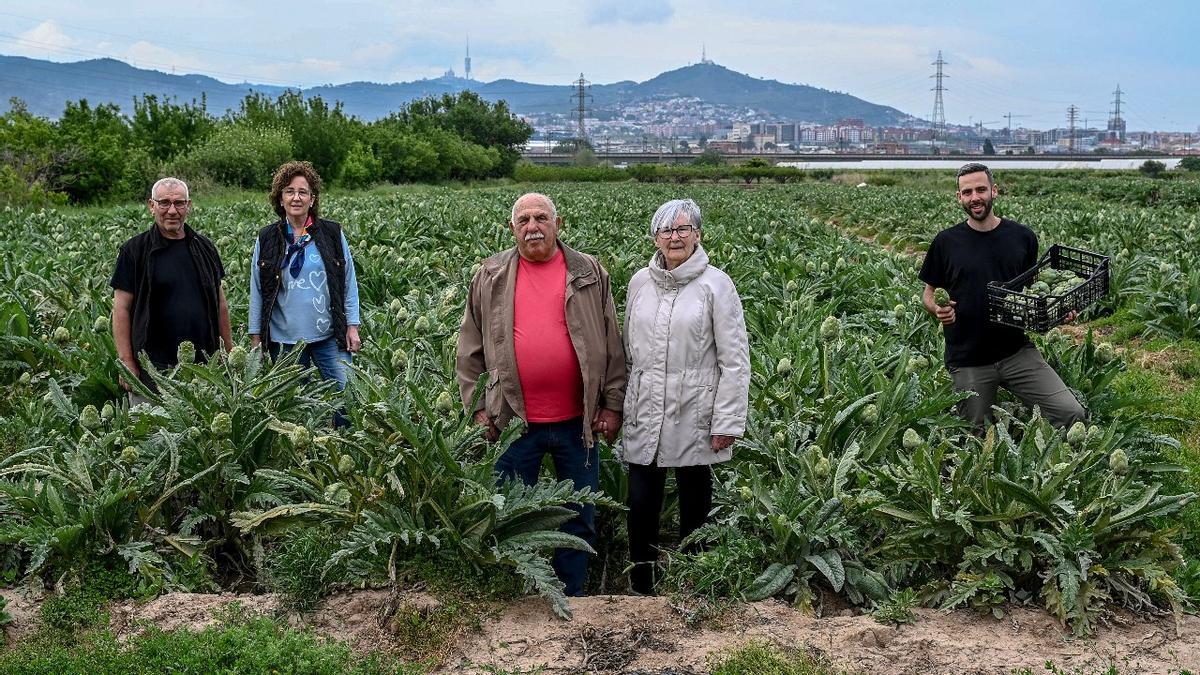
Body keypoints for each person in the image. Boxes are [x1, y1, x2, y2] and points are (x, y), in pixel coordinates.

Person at [456, 192, 627, 597]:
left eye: (541, 217)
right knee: (507, 513)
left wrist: (612, 403)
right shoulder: (490, 274)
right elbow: (469, 346)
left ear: (557, 222)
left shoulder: (588, 272)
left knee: (579, 515)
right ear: (512, 228)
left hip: (577, 420)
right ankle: (515, 594)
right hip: (513, 421)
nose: (533, 226)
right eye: (524, 220)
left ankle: (572, 595)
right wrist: (477, 407)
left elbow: (611, 340)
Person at [620, 198, 750, 595]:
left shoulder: (716, 284)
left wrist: (727, 421)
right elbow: (628, 352)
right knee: (640, 504)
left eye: (682, 229)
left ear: (698, 234)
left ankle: (696, 582)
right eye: (666, 230)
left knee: (696, 507)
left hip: (695, 411)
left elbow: (735, 359)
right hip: (645, 407)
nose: (674, 237)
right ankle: (642, 584)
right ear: (655, 237)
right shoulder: (639, 282)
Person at [919, 162, 1086, 429]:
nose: (975, 197)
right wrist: (936, 309)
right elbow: (928, 293)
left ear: (994, 191)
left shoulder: (1022, 237)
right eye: (968, 192)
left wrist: (1058, 310)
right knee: (973, 434)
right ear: (959, 197)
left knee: (1071, 414)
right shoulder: (946, 242)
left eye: (981, 189)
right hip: (968, 359)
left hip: (1017, 351)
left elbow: (1034, 291)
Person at [249, 161, 361, 427]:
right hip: (284, 341)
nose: (296, 197)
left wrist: (352, 325)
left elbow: (348, 281)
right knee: (292, 408)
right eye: (289, 191)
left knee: (347, 398)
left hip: (328, 335)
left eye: (303, 192)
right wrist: (256, 339)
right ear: (280, 198)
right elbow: (257, 290)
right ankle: (304, 457)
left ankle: (345, 449)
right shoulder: (267, 238)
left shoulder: (332, 234)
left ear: (312, 199)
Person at [111, 177, 232, 402]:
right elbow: (120, 309)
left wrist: (229, 351)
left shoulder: (205, 247)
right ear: (151, 206)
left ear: (189, 206)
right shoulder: (134, 251)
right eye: (164, 203)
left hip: (204, 367)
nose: (172, 211)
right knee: (149, 432)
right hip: (151, 367)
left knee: (200, 432)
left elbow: (220, 303)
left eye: (179, 203)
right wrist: (126, 360)